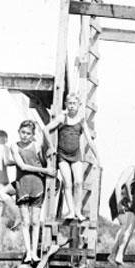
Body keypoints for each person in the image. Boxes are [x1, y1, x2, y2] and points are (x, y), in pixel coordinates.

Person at [0, 120, 55, 263]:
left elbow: (45, 158)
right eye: (23, 132)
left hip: (37, 186)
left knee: (36, 221)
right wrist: (45, 171)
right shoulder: (14, 147)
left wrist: (49, 155)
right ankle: (28, 252)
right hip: (22, 185)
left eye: (28, 133)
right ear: (18, 132)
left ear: (32, 135)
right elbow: (22, 166)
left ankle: (35, 252)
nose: (25, 136)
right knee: (25, 221)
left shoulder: (36, 145)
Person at [45, 93, 97, 221]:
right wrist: (51, 146)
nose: (72, 106)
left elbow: (89, 140)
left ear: (79, 105)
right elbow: (45, 129)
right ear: (66, 105)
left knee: (79, 182)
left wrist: (97, 158)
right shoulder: (62, 118)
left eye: (74, 103)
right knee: (67, 183)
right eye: (70, 103)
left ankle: (78, 211)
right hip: (62, 155)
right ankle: (71, 211)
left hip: (75, 154)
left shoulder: (81, 120)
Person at [108, 145, 135, 265]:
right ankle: (114, 255)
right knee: (126, 226)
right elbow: (122, 185)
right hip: (121, 200)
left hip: (131, 200)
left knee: (128, 227)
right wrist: (119, 203)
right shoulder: (132, 169)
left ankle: (115, 254)